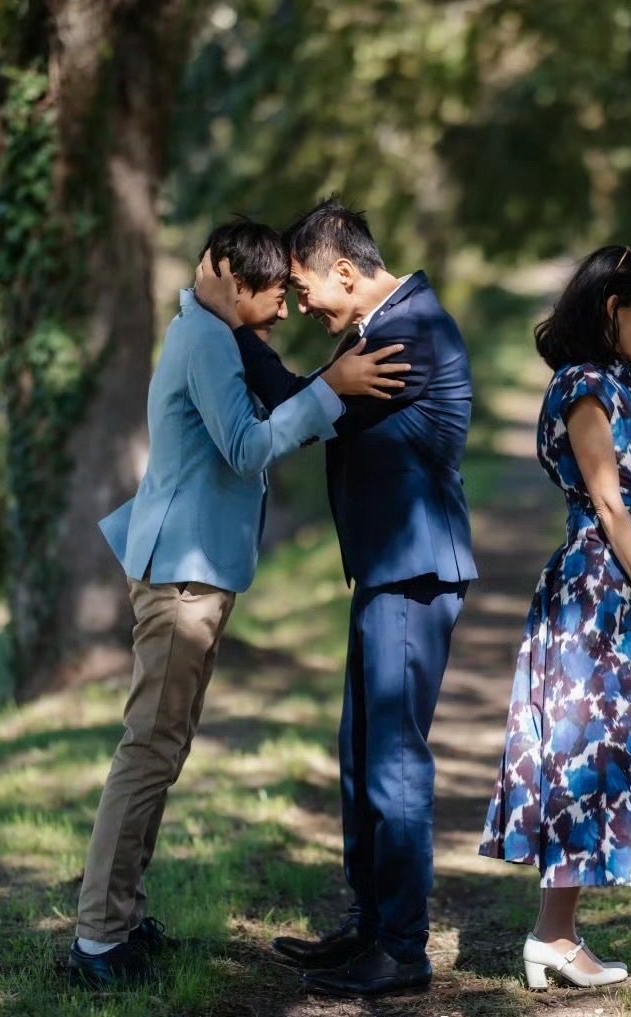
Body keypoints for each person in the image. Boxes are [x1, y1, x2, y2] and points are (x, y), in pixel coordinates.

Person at [68, 218, 405, 987]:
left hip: (192, 568)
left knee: (162, 749)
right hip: (180, 574)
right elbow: (246, 446)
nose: (285, 308)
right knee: (149, 750)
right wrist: (332, 389)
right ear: (230, 275)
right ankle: (97, 941)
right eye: (274, 293)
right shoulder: (207, 339)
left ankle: (120, 918)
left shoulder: (211, 332)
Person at [199, 198, 476, 999]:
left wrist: (226, 322)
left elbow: (302, 407)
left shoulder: (411, 333)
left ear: (345, 272)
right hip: (385, 568)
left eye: (303, 288)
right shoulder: (378, 329)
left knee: (393, 763)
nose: (301, 304)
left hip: (412, 571)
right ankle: (368, 923)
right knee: (361, 757)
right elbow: (318, 397)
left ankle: (402, 948)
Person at [479, 245, 631, 991]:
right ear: (614, 309)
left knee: (597, 753)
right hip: (598, 590)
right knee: (581, 754)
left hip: (613, 586)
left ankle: (556, 931)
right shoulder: (585, 388)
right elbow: (608, 503)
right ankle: (553, 935)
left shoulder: (615, 381)